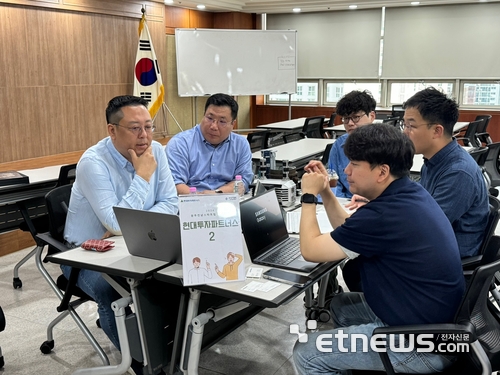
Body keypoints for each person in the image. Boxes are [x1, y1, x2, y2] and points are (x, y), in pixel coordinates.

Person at [294, 124, 464, 374]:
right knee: (341, 305)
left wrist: (308, 196)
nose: (346, 170)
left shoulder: (384, 214)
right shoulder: (407, 193)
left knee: (306, 353)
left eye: (355, 164)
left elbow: (310, 250)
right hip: (433, 324)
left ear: (382, 172)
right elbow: (349, 230)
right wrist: (326, 192)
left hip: (421, 344)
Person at [63, 95, 179, 373]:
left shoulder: (157, 152)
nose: (145, 136)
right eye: (135, 128)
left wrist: (126, 226)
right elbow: (115, 223)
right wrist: (142, 177)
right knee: (110, 292)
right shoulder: (93, 163)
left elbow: (172, 203)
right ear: (112, 130)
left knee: (178, 276)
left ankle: (172, 349)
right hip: (85, 256)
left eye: (149, 127)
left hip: (138, 243)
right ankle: (142, 364)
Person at [403, 87, 489, 258]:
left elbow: (424, 227)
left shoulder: (458, 173)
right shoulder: (433, 161)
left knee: (360, 269)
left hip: (444, 260)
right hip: (433, 246)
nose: (405, 132)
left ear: (437, 131)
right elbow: (417, 199)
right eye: (404, 125)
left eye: (411, 126)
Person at [166, 93, 253, 195]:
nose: (213, 126)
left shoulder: (240, 144)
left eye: (222, 121)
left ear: (232, 124)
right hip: (190, 203)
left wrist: (216, 194)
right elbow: (175, 184)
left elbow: (244, 181)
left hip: (227, 203)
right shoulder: (180, 143)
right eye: (210, 118)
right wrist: (204, 200)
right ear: (203, 115)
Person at [328, 90, 376, 199]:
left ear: (371, 116)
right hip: (347, 204)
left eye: (356, 117)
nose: (350, 123)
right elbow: (335, 183)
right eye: (346, 118)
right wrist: (343, 204)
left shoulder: (386, 146)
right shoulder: (338, 146)